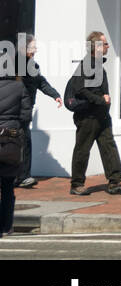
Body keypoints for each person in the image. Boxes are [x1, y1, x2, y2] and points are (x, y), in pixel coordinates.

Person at [66, 32, 121, 196]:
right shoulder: (87, 65)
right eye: (105, 44)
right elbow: (80, 89)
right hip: (88, 116)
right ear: (96, 47)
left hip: (101, 115)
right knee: (83, 149)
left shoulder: (96, 65)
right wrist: (100, 100)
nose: (108, 46)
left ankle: (115, 181)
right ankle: (76, 184)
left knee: (108, 146)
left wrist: (103, 104)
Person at [16, 36, 61, 189]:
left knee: (24, 142)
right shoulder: (13, 65)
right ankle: (20, 176)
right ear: (24, 48)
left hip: (25, 110)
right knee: (18, 142)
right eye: (33, 47)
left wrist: (55, 95)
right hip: (15, 110)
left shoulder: (33, 66)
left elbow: (41, 82)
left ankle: (22, 176)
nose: (36, 50)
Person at [0, 69, 31, 238]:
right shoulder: (20, 87)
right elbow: (26, 116)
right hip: (11, 141)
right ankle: (6, 226)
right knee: (7, 188)